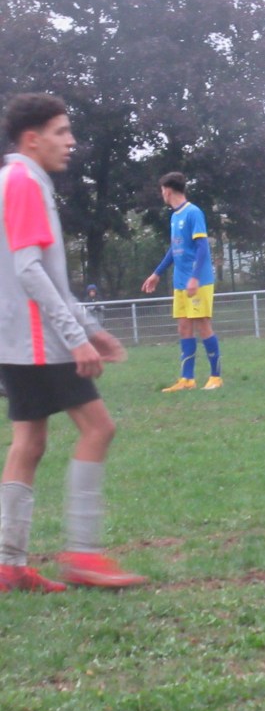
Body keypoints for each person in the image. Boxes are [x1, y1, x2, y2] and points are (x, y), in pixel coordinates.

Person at [0, 93, 147, 591]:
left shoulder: (11, 179)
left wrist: (90, 329)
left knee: (29, 442)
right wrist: (74, 338)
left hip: (16, 340)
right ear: (32, 139)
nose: (71, 141)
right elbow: (30, 271)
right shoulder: (25, 183)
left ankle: (9, 565)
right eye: (61, 132)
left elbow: (44, 275)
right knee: (98, 429)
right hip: (40, 339)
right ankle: (83, 555)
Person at [141, 172, 222, 391]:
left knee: (203, 325)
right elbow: (175, 249)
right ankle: (187, 379)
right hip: (180, 282)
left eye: (162, 190)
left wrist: (195, 277)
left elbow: (202, 247)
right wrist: (157, 273)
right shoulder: (174, 216)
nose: (162, 194)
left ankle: (216, 377)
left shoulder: (193, 212)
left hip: (198, 281)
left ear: (168, 190)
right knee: (184, 327)